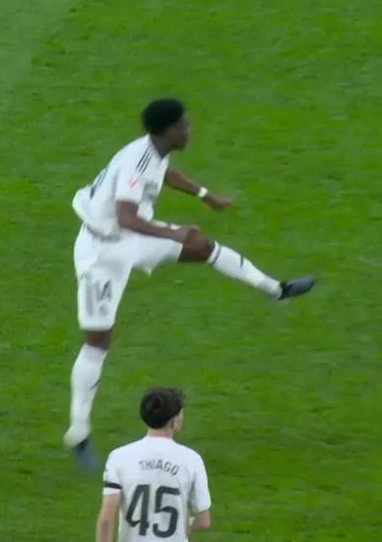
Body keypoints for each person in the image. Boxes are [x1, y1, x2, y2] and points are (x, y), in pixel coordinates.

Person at [66, 98, 317, 467]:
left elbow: (164, 173)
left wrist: (205, 195)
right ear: (169, 130)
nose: (189, 129)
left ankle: (276, 290)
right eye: (184, 124)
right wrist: (174, 232)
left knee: (203, 247)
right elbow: (126, 216)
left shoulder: (153, 150)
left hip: (131, 238)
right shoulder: (137, 160)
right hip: (102, 253)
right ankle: (78, 432)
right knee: (98, 342)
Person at [97, 387, 212, 541]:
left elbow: (106, 517)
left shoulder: (119, 457)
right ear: (173, 422)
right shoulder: (192, 460)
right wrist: (188, 526)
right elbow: (204, 521)